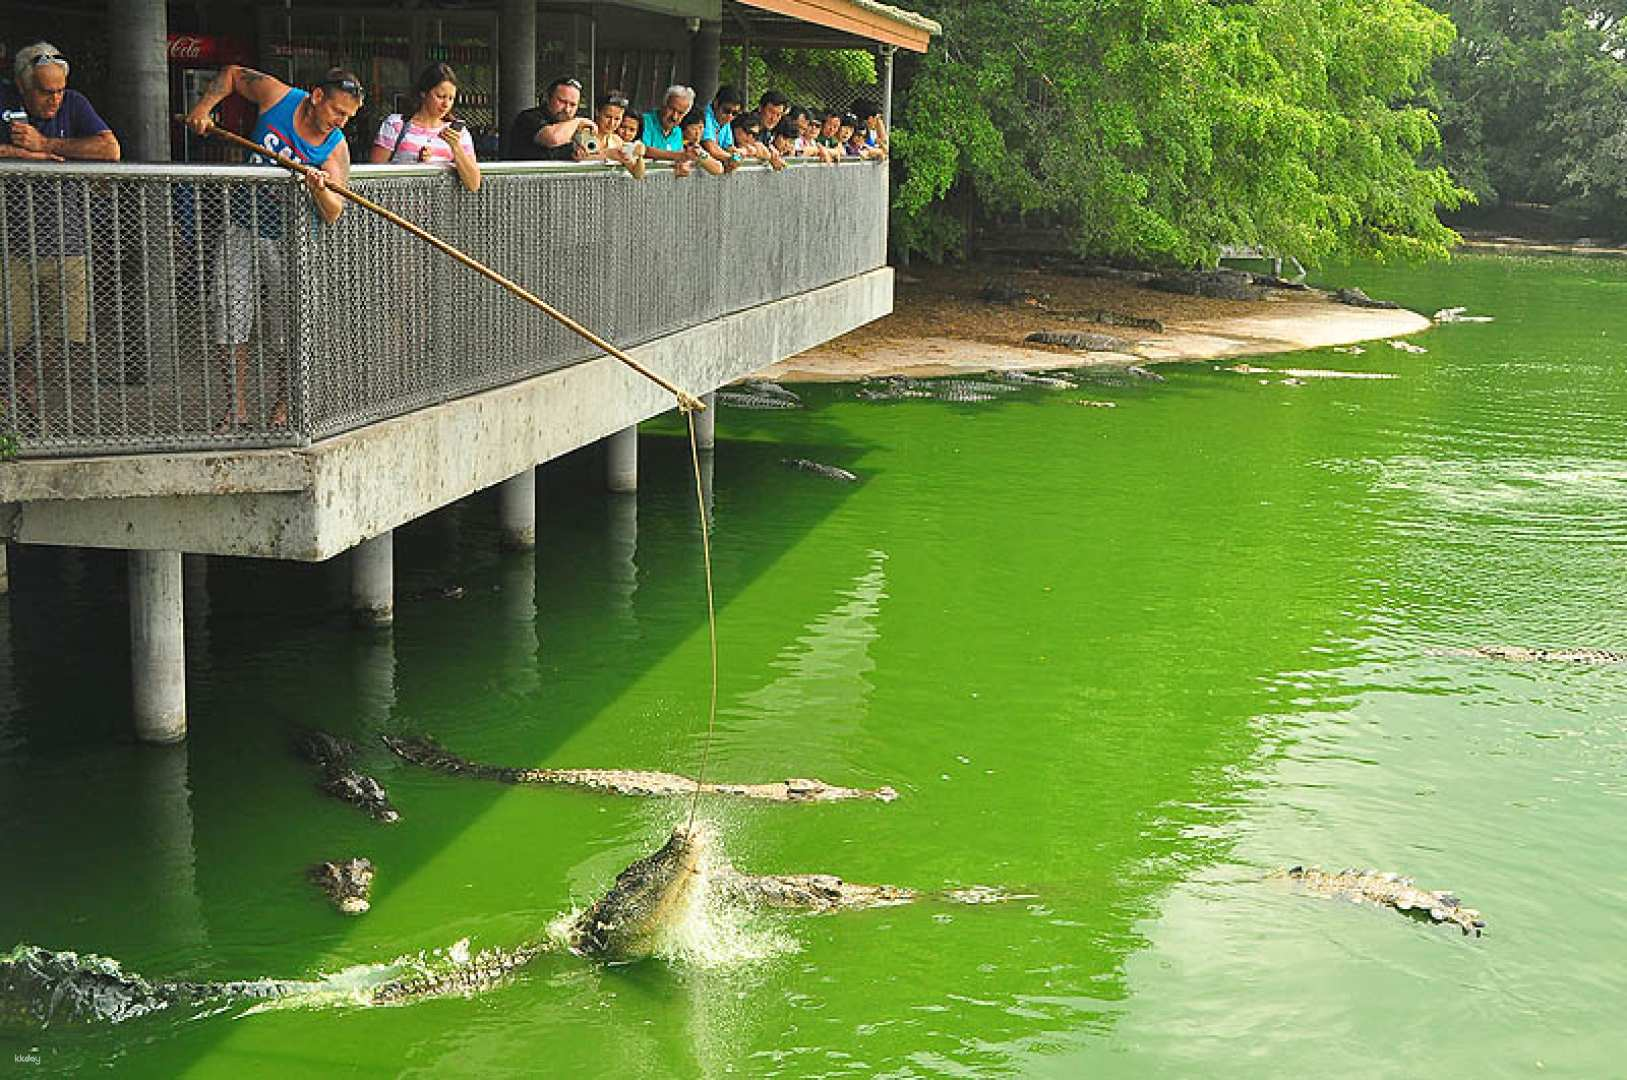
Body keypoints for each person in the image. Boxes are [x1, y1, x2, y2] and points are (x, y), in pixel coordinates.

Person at [185, 65, 362, 430]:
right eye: (337, 111)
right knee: (228, 311)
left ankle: (284, 405)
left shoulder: (335, 147)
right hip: (241, 222)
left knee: (288, 326)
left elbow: (333, 212)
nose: (340, 121)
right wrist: (203, 108)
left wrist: (319, 189)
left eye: (348, 116)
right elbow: (233, 74)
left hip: (290, 237)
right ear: (316, 97)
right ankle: (236, 409)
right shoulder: (279, 97)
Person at [0, 42, 120, 430]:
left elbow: (110, 149)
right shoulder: (3, 100)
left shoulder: (75, 104)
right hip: (12, 244)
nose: (54, 100)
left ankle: (23, 393)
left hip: (67, 241)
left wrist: (47, 144)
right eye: (44, 91)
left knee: (61, 332)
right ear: (22, 86)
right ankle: (11, 397)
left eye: (58, 91)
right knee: (11, 333)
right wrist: (26, 157)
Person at [370, 62, 480, 191]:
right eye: (440, 96)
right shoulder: (396, 124)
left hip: (441, 206)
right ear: (424, 93)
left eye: (451, 98)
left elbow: (473, 184)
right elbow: (373, 175)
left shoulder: (458, 133)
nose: (446, 104)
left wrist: (456, 147)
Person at [504, 76, 595, 161]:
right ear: (548, 98)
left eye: (573, 105)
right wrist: (578, 121)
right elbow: (552, 138)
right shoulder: (529, 117)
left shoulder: (573, 125)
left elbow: (593, 151)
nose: (567, 109)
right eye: (562, 101)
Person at [640, 85, 700, 168]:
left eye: (680, 113)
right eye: (671, 109)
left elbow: (679, 160)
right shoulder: (644, 121)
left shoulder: (678, 131)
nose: (674, 117)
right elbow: (643, 150)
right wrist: (679, 156)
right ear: (663, 105)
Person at [590, 91, 645, 178]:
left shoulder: (617, 141)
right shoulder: (586, 134)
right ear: (597, 112)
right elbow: (579, 157)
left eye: (617, 119)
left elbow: (638, 174)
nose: (611, 123)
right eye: (608, 117)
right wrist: (607, 154)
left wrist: (640, 156)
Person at [700, 84, 744, 168]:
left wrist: (737, 154)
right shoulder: (705, 117)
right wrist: (733, 159)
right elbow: (711, 148)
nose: (730, 116)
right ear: (716, 104)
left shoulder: (725, 120)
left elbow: (729, 147)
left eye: (735, 113)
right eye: (727, 111)